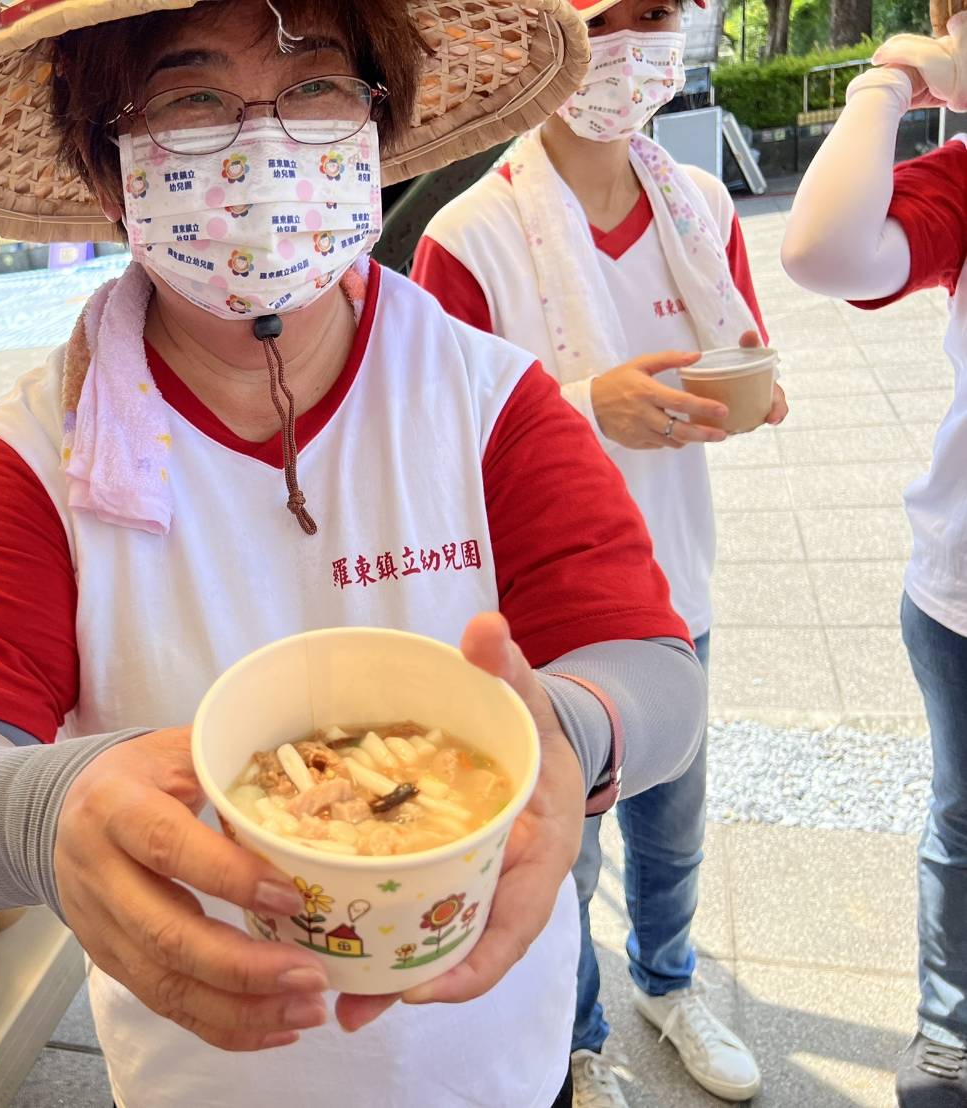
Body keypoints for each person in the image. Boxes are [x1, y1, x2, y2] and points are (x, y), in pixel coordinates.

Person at [0, 2, 710, 1105]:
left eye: (314, 87)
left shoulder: (490, 399)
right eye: (191, 97)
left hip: (494, 1056)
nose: (262, 142)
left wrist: (574, 726)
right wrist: (44, 811)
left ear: (373, 126)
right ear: (109, 167)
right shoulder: (32, 460)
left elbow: (652, 669)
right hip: (202, 1074)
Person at [410, 0, 788, 1102]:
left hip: (675, 579)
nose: (630, 42)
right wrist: (583, 406)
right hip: (531, 615)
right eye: (601, 16)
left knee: (673, 819)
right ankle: (576, 1036)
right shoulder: (469, 236)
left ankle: (669, 985)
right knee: (558, 853)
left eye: (654, 14)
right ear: (547, 37)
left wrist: (751, 398)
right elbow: (433, 451)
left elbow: (745, 356)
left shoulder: (700, 203)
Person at [782, 23, 967, 1105]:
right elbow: (821, 249)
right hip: (959, 591)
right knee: (961, 819)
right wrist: (889, 75)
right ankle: (950, 1032)